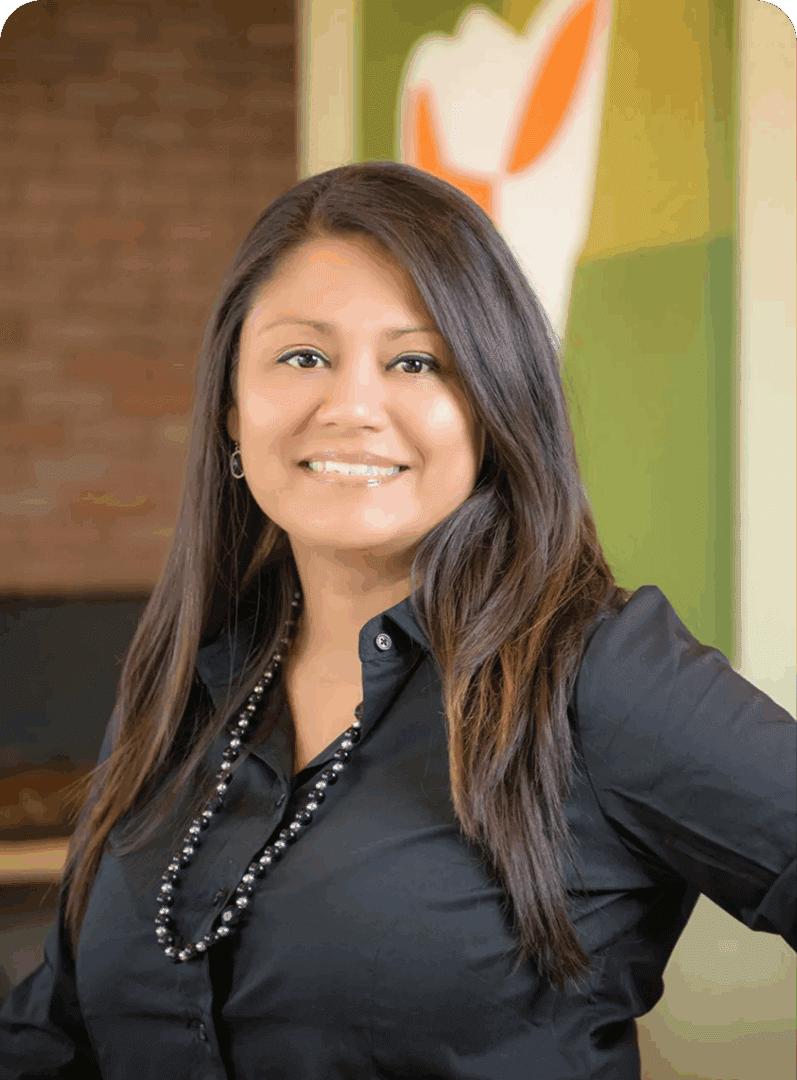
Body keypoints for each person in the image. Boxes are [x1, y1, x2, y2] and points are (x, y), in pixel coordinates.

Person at [0, 160, 794, 1080]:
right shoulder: (186, 682)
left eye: (415, 361)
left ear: (495, 408)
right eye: (303, 356)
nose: (350, 407)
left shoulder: (595, 674)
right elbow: (54, 1033)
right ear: (229, 405)